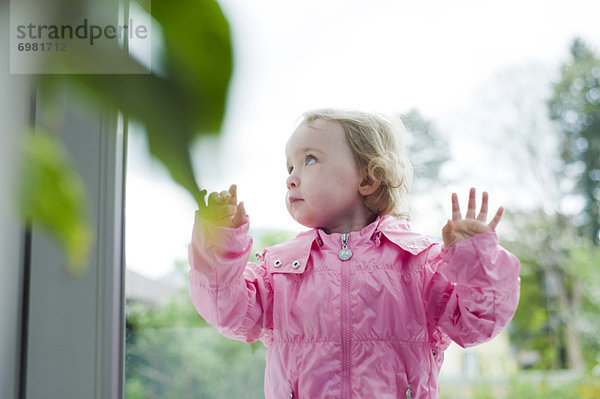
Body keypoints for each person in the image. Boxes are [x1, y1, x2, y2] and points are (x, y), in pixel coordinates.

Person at [188, 109, 520, 399]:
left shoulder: (420, 262)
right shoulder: (279, 269)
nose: (291, 178)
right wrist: (219, 243)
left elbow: (477, 326)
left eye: (310, 159)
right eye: (289, 166)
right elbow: (226, 312)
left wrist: (475, 259)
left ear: (369, 178)